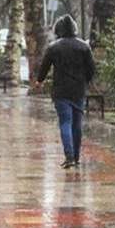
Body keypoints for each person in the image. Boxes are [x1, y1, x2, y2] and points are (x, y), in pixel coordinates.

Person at [34, 15, 96, 169]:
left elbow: (45, 67)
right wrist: (85, 81)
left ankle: (68, 156)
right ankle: (75, 156)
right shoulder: (84, 47)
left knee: (65, 122)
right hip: (78, 91)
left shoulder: (53, 47)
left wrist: (39, 81)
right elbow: (92, 69)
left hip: (61, 91)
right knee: (77, 124)